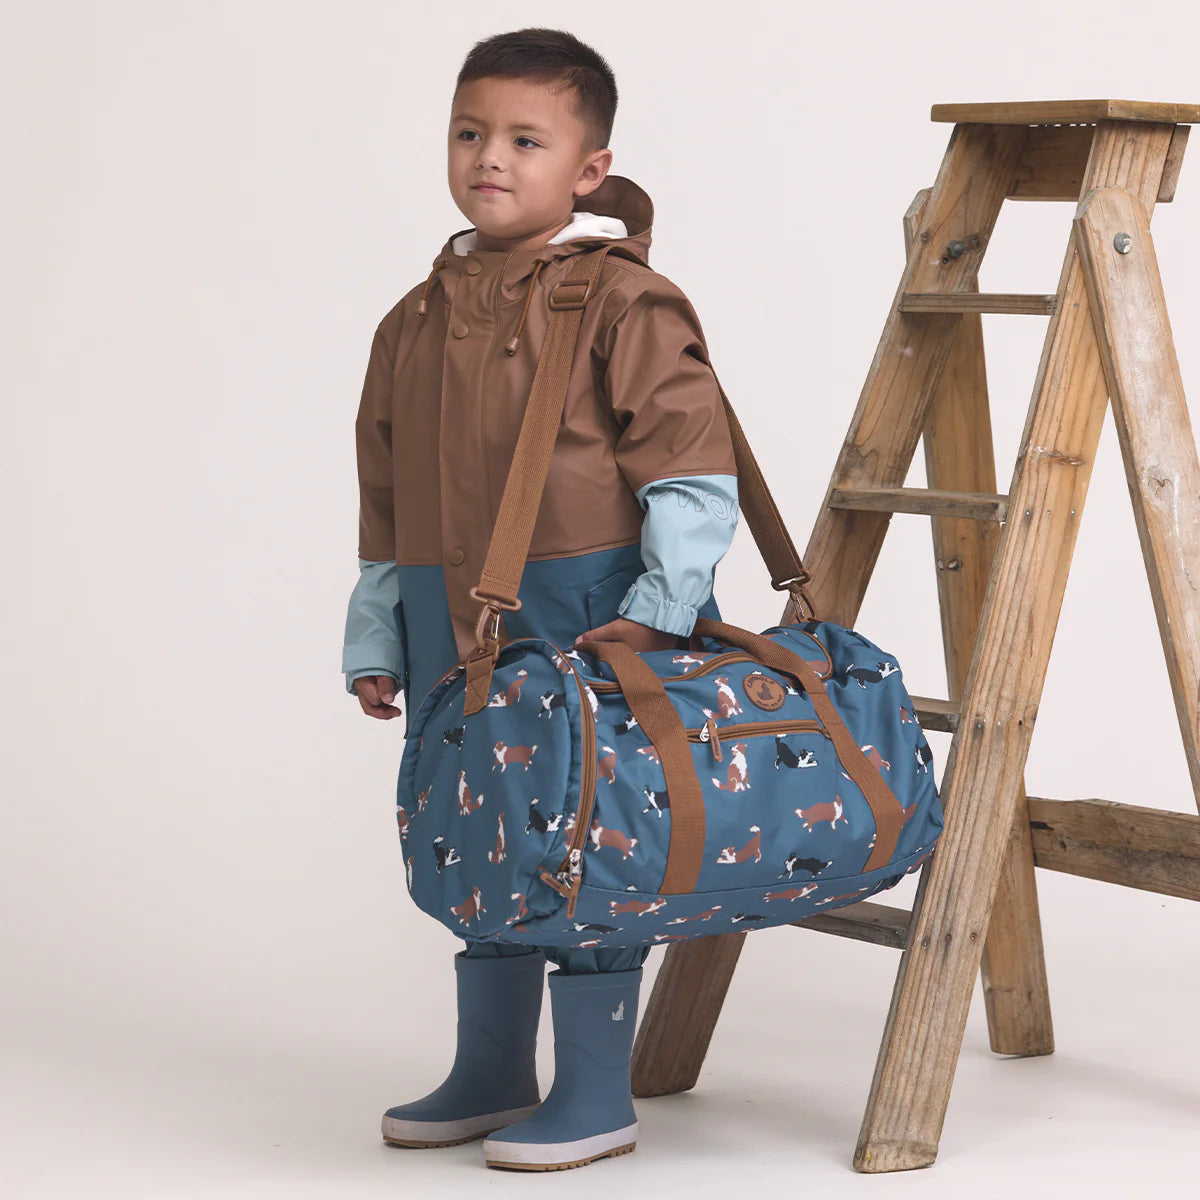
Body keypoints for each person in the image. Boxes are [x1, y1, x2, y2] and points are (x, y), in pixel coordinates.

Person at [340, 27, 740, 1171]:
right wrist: (379, 633)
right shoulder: (411, 323)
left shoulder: (625, 303)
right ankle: (493, 1070)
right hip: (447, 618)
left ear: (590, 169)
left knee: (590, 826)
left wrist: (664, 605)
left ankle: (598, 1092)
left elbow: (691, 469)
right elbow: (384, 497)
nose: (490, 157)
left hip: (589, 608)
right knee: (477, 820)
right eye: (470, 133)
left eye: (526, 139)